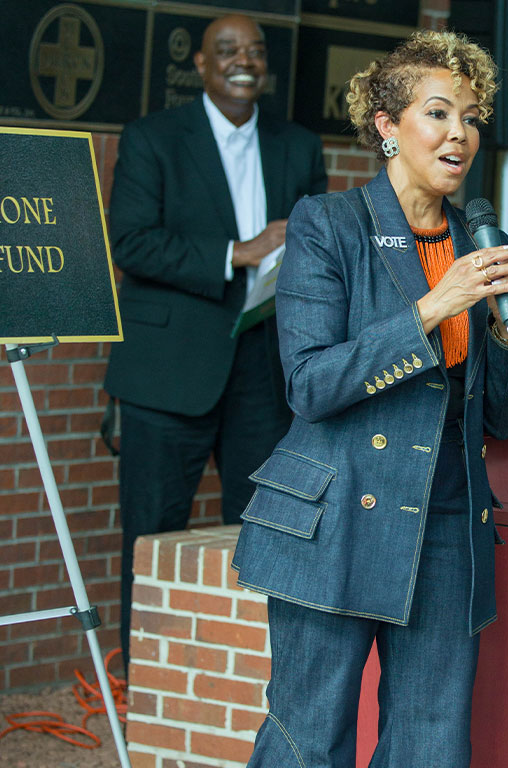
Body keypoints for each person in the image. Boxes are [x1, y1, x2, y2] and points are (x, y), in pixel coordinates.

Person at [230, 30, 508, 767]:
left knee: (432, 747)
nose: (458, 132)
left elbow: (502, 418)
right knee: (310, 740)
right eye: (438, 112)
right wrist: (436, 306)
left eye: (470, 116)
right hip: (338, 514)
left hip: (448, 524)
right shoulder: (328, 225)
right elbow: (310, 383)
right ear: (386, 127)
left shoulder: (475, 242)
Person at [104, 13, 327, 667]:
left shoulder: (298, 145)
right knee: (152, 533)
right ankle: (145, 681)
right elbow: (132, 242)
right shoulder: (153, 139)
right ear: (200, 64)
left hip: (263, 368)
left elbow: (317, 245)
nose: (244, 61)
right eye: (227, 50)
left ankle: (252, 677)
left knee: (262, 530)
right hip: (166, 373)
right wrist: (240, 251)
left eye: (255, 51)